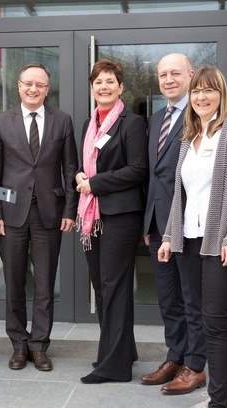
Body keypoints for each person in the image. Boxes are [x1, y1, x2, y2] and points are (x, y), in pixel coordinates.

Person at [158, 66, 227, 408]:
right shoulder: (189, 136)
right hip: (188, 238)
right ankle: (223, 391)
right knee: (195, 313)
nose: (201, 97)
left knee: (215, 320)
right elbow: (180, 194)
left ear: (221, 94)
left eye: (209, 90)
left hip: (220, 240)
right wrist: (169, 236)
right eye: (196, 91)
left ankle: (219, 400)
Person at [0, 63, 78, 372]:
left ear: (47, 89)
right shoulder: (1, 121)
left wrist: (70, 210)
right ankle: (18, 345)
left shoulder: (62, 121)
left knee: (44, 284)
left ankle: (39, 346)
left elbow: (70, 169)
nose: (33, 89)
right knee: (13, 282)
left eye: (40, 84)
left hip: (49, 214)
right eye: (28, 83)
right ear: (19, 86)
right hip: (10, 214)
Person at [75, 59, 148, 384]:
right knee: (102, 288)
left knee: (114, 288)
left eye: (109, 82)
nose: (103, 87)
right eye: (98, 82)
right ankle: (119, 351)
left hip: (120, 216)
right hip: (92, 216)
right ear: (92, 88)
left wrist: (95, 183)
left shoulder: (131, 123)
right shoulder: (89, 123)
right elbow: (86, 166)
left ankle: (114, 367)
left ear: (121, 87)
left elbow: (138, 169)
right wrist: (80, 176)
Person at [141, 53, 209, 395]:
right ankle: (175, 355)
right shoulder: (156, 119)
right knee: (168, 298)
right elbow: (155, 175)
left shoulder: (201, 114)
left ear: (191, 75)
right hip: (158, 224)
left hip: (187, 224)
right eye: (163, 74)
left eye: (175, 73)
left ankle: (195, 365)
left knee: (190, 298)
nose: (168, 80)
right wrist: (148, 222)